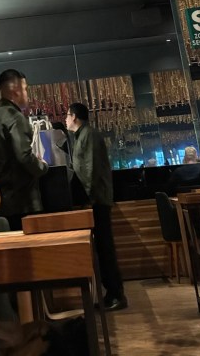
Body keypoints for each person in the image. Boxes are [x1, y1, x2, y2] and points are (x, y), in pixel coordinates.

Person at [65, 101, 127, 312]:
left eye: (67, 115)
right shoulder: (81, 136)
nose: (65, 119)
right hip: (95, 199)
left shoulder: (88, 135)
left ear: (74, 116)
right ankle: (111, 293)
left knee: (105, 247)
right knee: (102, 248)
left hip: (97, 200)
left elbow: (91, 168)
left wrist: (89, 199)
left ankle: (116, 295)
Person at [0, 69, 48, 230]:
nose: (27, 93)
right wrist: (42, 166)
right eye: (25, 89)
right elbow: (24, 156)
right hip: (23, 201)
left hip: (2, 200)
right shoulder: (15, 116)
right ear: (15, 90)